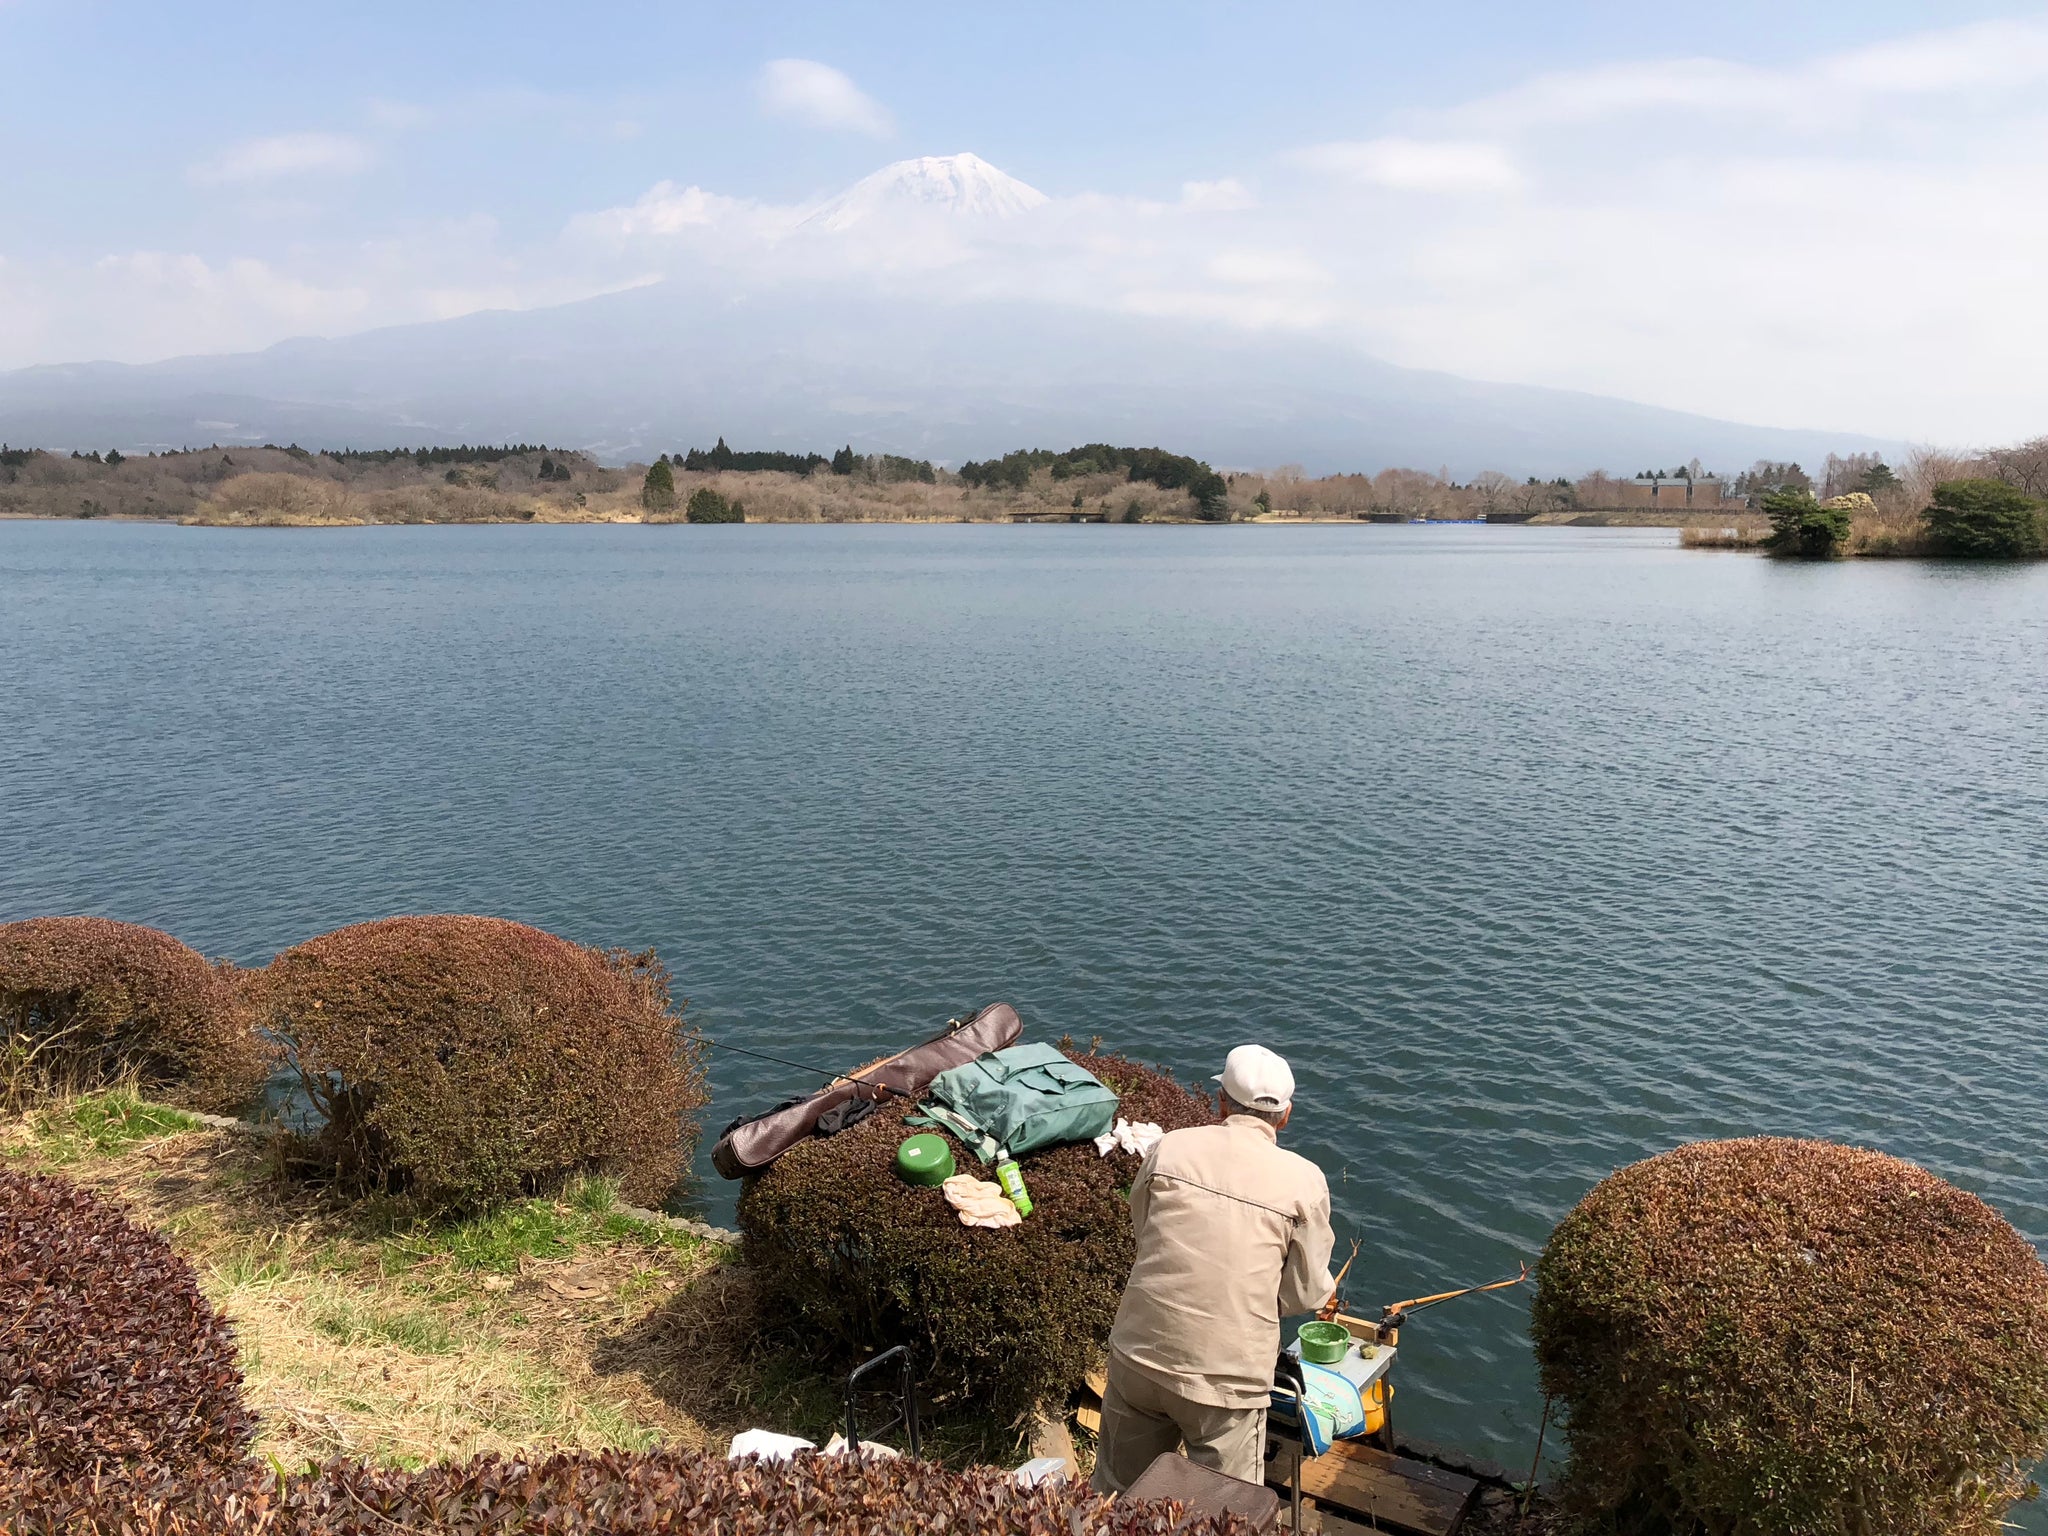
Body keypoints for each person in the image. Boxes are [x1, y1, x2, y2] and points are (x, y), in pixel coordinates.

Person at [1091, 1044, 1337, 1494]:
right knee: (1222, 1512)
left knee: (1115, 1493)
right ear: (1286, 1116)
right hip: (1229, 1379)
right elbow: (1304, 1295)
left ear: (1220, 1100)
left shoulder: (1171, 1147)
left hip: (1140, 1351)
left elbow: (1144, 1231)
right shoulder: (1305, 1181)